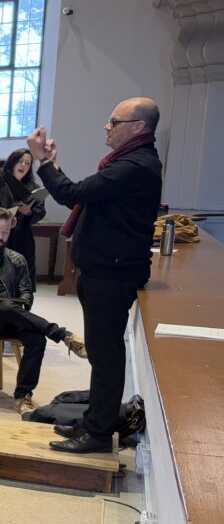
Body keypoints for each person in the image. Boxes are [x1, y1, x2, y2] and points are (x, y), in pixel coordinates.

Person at [28, 98, 163, 453]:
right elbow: (84, 192)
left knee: (105, 357)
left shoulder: (136, 165)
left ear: (138, 127)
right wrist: (52, 163)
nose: (107, 126)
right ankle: (94, 423)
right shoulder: (129, 162)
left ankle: (99, 434)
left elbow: (72, 193)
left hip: (112, 274)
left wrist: (44, 161)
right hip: (105, 271)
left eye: (114, 121)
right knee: (104, 355)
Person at [0, 208, 87, 413]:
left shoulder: (17, 259)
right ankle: (62, 334)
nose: (0, 237)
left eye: (5, 232)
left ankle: (23, 396)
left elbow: (27, 293)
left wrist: (21, 303)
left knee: (36, 337)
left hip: (9, 315)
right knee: (6, 307)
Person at [0, 148, 48, 287]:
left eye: (27, 163)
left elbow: (40, 211)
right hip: (0, 235)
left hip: (22, 237)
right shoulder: (0, 184)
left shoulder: (33, 187)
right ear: (12, 163)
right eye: (20, 161)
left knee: (22, 280)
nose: (23, 166)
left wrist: (28, 212)